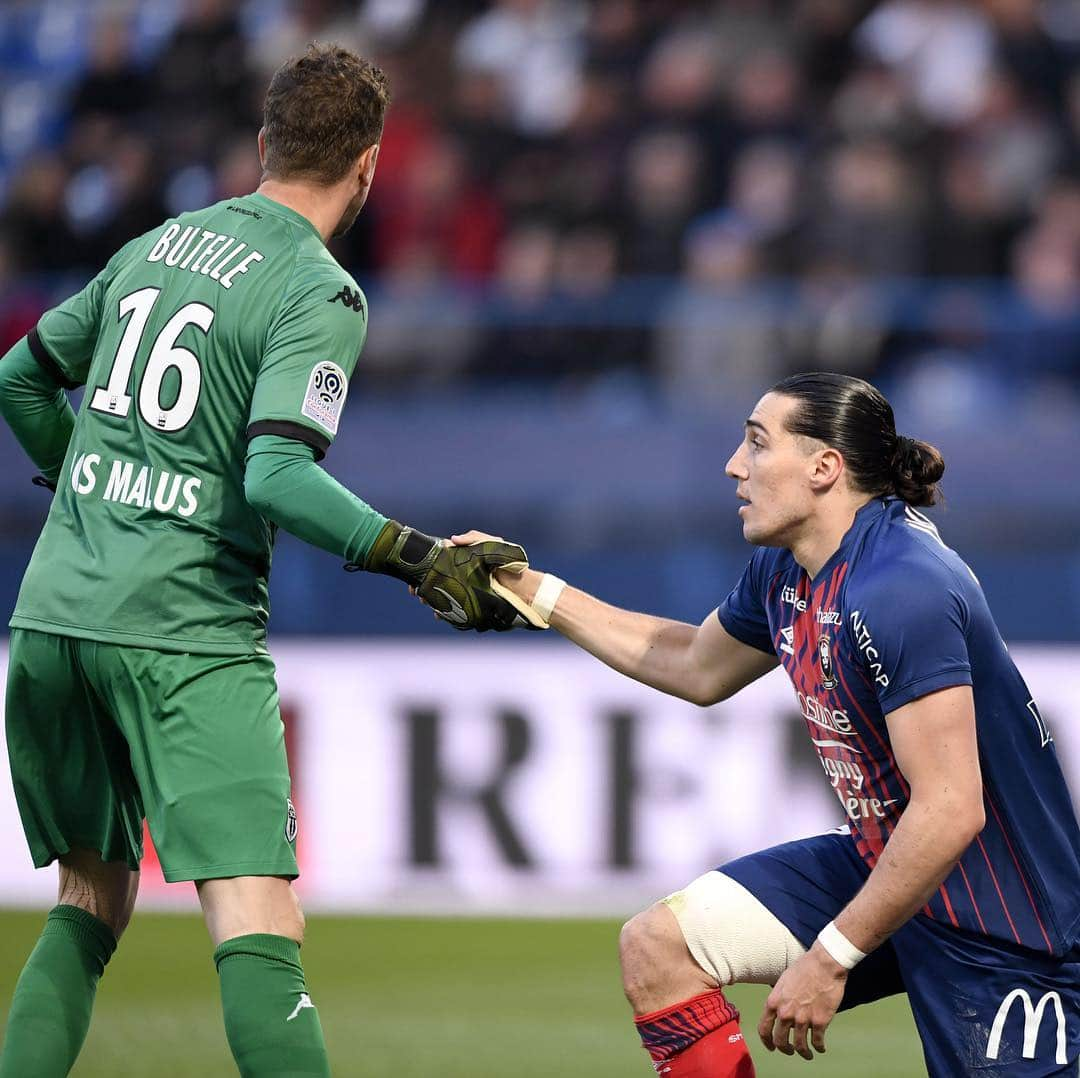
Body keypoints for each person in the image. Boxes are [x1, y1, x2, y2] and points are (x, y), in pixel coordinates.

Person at [0, 44, 527, 1078]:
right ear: (370, 169)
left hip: (55, 614)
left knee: (90, 898)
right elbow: (275, 478)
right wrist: (415, 555)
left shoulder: (160, 242)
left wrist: (89, 487)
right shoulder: (318, 289)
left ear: (262, 146)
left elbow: (21, 377)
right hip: (184, 631)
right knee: (257, 918)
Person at [459, 372, 1080, 1076]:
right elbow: (695, 664)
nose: (734, 464)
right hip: (886, 866)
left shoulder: (904, 587)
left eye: (757, 442)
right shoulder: (784, 570)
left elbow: (949, 808)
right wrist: (534, 592)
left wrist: (831, 956)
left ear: (824, 468)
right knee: (661, 947)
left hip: (1002, 918)